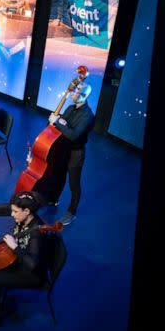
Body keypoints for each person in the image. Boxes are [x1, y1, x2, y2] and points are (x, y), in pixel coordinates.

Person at [0, 191, 49, 329]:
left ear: (26, 211)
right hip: (18, 259)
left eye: (15, 211)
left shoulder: (37, 232)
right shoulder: (23, 215)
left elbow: (32, 264)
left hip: (32, 274)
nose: (11, 214)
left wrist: (14, 247)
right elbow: (6, 208)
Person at [47, 82, 95, 225]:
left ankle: (71, 212)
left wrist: (58, 123)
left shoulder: (88, 116)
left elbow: (73, 135)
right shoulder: (70, 108)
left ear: (84, 95)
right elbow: (63, 123)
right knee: (59, 176)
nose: (72, 93)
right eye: (74, 90)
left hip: (76, 153)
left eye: (76, 91)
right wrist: (57, 121)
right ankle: (53, 199)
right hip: (64, 149)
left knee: (74, 184)